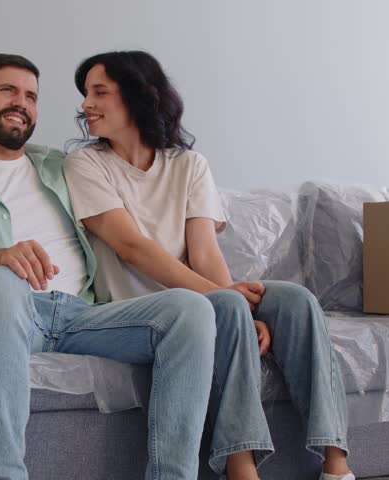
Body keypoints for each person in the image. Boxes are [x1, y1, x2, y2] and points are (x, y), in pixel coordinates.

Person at [0, 53, 220, 480]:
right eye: (7, 90)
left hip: (84, 315)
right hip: (9, 310)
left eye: (31, 96)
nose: (21, 102)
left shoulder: (66, 165)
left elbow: (139, 204)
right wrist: (0, 258)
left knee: (191, 309)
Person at [64, 50, 354, 480]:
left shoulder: (189, 164)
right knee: (229, 305)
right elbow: (132, 247)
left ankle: (336, 463)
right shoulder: (85, 163)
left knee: (295, 300)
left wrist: (237, 302)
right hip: (142, 307)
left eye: (99, 92)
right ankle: (241, 468)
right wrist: (225, 300)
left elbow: (203, 252)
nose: (86, 104)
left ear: (139, 97)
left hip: (200, 292)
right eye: (86, 93)